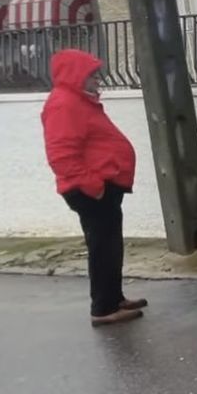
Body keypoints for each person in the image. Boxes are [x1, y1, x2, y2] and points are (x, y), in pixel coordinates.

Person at [41, 49, 145, 327]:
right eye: (92, 74)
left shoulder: (77, 101)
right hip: (91, 189)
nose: (97, 79)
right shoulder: (64, 104)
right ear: (76, 74)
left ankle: (113, 298)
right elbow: (61, 155)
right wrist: (93, 186)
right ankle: (103, 308)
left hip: (101, 186)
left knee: (110, 245)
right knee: (102, 248)